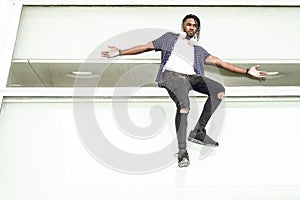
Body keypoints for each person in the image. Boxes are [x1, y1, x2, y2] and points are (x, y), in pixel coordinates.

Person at [101, 14, 267, 168]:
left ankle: (199, 131)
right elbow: (145, 47)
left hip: (192, 77)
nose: (192, 27)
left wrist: (246, 71)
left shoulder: (198, 50)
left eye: (195, 25)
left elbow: (220, 62)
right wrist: (120, 52)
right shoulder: (169, 39)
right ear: (183, 26)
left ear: (197, 29)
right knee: (184, 105)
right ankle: (182, 153)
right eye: (189, 24)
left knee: (218, 90)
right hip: (172, 76)